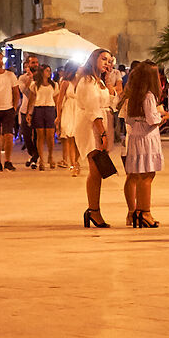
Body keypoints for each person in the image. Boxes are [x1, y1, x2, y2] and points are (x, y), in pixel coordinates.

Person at [70, 63, 118, 227]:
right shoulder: (87, 81)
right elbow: (92, 108)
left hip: (102, 123)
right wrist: (102, 132)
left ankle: (94, 209)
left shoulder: (101, 82)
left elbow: (112, 103)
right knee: (95, 168)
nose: (108, 63)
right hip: (91, 126)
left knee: (97, 169)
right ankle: (93, 210)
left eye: (110, 60)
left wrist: (111, 86)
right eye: (104, 59)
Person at [118, 61, 164, 226]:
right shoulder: (149, 96)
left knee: (137, 175)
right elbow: (152, 119)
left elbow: (128, 119)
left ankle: (136, 211)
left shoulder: (131, 96)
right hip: (147, 138)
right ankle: (145, 212)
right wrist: (163, 117)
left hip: (135, 138)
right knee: (147, 175)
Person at [25, 58, 60, 169]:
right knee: (40, 135)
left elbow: (56, 100)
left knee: (50, 135)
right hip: (39, 109)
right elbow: (31, 100)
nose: (49, 73)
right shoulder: (35, 85)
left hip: (50, 109)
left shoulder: (54, 85)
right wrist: (29, 114)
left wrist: (58, 114)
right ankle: (41, 160)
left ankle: (50, 156)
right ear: (42, 72)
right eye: (47, 71)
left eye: (49, 71)